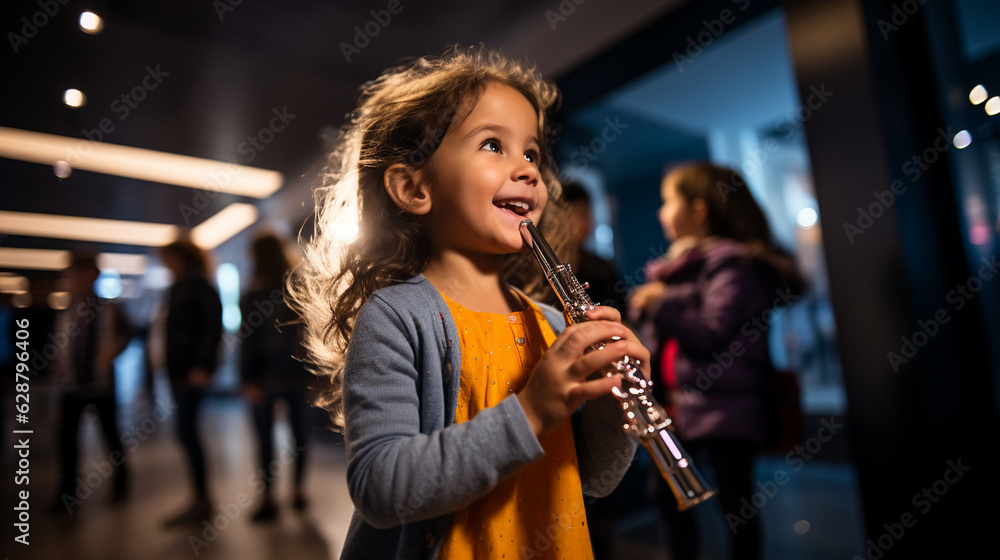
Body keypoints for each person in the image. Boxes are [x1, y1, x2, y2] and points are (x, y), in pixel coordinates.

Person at [287, 45, 645, 559]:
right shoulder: (395, 317)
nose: (527, 170)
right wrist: (532, 410)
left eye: (532, 153)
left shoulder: (550, 322)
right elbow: (379, 488)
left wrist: (615, 406)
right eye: (493, 145)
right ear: (414, 187)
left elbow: (593, 480)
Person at [629, 162, 804, 560]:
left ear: (698, 209)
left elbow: (710, 333)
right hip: (680, 404)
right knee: (668, 493)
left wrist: (660, 302)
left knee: (736, 505)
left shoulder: (733, 265)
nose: (660, 212)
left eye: (668, 202)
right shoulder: (681, 268)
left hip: (727, 408)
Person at [51, 254, 133, 511]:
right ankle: (68, 492)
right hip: (72, 384)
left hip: (102, 383)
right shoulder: (67, 311)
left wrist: (113, 352)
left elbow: (127, 334)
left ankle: (121, 481)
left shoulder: (109, 308)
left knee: (110, 434)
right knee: (66, 439)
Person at [240, 232, 311, 522]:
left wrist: (248, 379)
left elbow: (248, 340)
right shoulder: (300, 287)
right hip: (297, 372)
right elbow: (310, 335)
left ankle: (268, 499)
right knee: (300, 435)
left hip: (265, 375)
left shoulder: (252, 294)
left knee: (264, 438)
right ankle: (297, 493)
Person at [159, 239, 223, 526]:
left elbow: (212, 325)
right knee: (185, 432)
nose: (165, 264)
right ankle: (200, 497)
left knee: (187, 432)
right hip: (179, 372)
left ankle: (202, 499)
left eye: (168, 258)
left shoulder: (197, 285)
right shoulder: (180, 286)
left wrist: (202, 365)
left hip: (189, 372)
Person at [562, 181, 626, 312]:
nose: (589, 221)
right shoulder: (539, 269)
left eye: (587, 213)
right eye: (579, 213)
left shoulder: (601, 268)